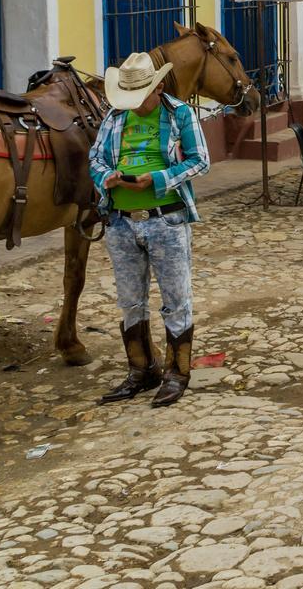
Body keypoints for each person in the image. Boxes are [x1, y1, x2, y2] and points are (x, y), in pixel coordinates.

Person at [89, 51, 212, 408]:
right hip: (121, 222)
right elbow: (95, 157)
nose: (134, 105)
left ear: (157, 89)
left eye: (140, 98)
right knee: (130, 301)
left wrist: (158, 178)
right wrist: (105, 177)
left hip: (167, 218)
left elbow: (199, 160)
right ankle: (142, 369)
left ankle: (177, 372)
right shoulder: (114, 116)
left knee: (176, 302)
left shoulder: (180, 114)